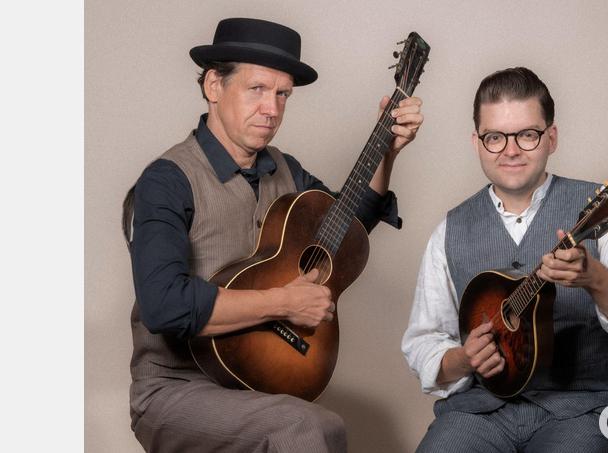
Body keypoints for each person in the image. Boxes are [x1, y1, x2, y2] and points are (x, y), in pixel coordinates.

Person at [122, 18, 423, 453]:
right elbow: (163, 304)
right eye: (257, 89)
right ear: (213, 85)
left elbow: (347, 230)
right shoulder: (167, 181)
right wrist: (285, 302)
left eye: (282, 94)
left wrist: (386, 150)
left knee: (328, 425)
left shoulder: (287, 171)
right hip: (175, 388)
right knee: (303, 428)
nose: (272, 108)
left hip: (257, 383)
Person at [401, 67, 608, 452]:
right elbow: (424, 340)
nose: (510, 150)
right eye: (495, 137)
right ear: (477, 142)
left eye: (527, 134)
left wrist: (594, 277)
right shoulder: (450, 229)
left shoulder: (599, 211)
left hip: (584, 410)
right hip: (479, 413)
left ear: (551, 137)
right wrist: (465, 358)